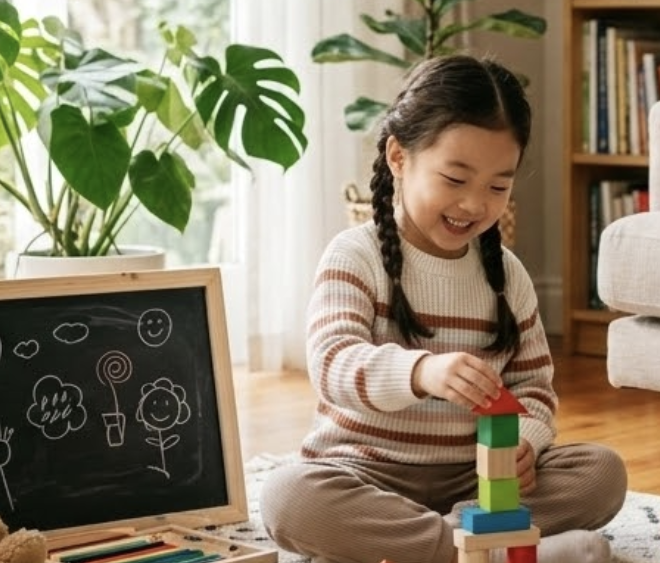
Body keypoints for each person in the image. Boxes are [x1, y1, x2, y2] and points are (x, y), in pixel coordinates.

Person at [260, 55, 625, 563]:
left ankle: (444, 543)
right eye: (455, 179)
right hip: (365, 470)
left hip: (475, 481)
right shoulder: (354, 256)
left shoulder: (507, 275)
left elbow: (534, 388)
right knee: (288, 497)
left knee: (602, 473)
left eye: (498, 186)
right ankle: (476, 551)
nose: (475, 205)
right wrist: (421, 371)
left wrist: (524, 443)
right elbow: (332, 365)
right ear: (398, 157)